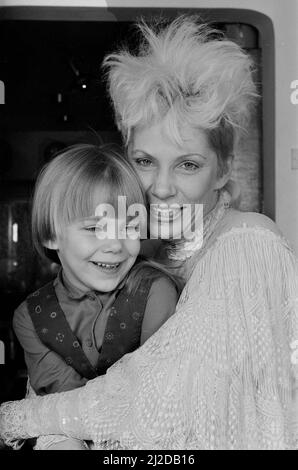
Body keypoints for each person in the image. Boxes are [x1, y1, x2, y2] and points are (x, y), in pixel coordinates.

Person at [0, 15, 297, 450]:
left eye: (188, 164)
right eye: (144, 161)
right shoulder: (147, 252)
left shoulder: (246, 245)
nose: (159, 187)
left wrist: (13, 418)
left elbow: (153, 406)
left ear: (224, 170)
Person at [6, 143, 180, 450]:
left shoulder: (155, 291)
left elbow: (157, 399)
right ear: (51, 234)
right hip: (69, 426)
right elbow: (63, 403)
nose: (115, 244)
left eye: (128, 227)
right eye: (95, 228)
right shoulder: (30, 316)